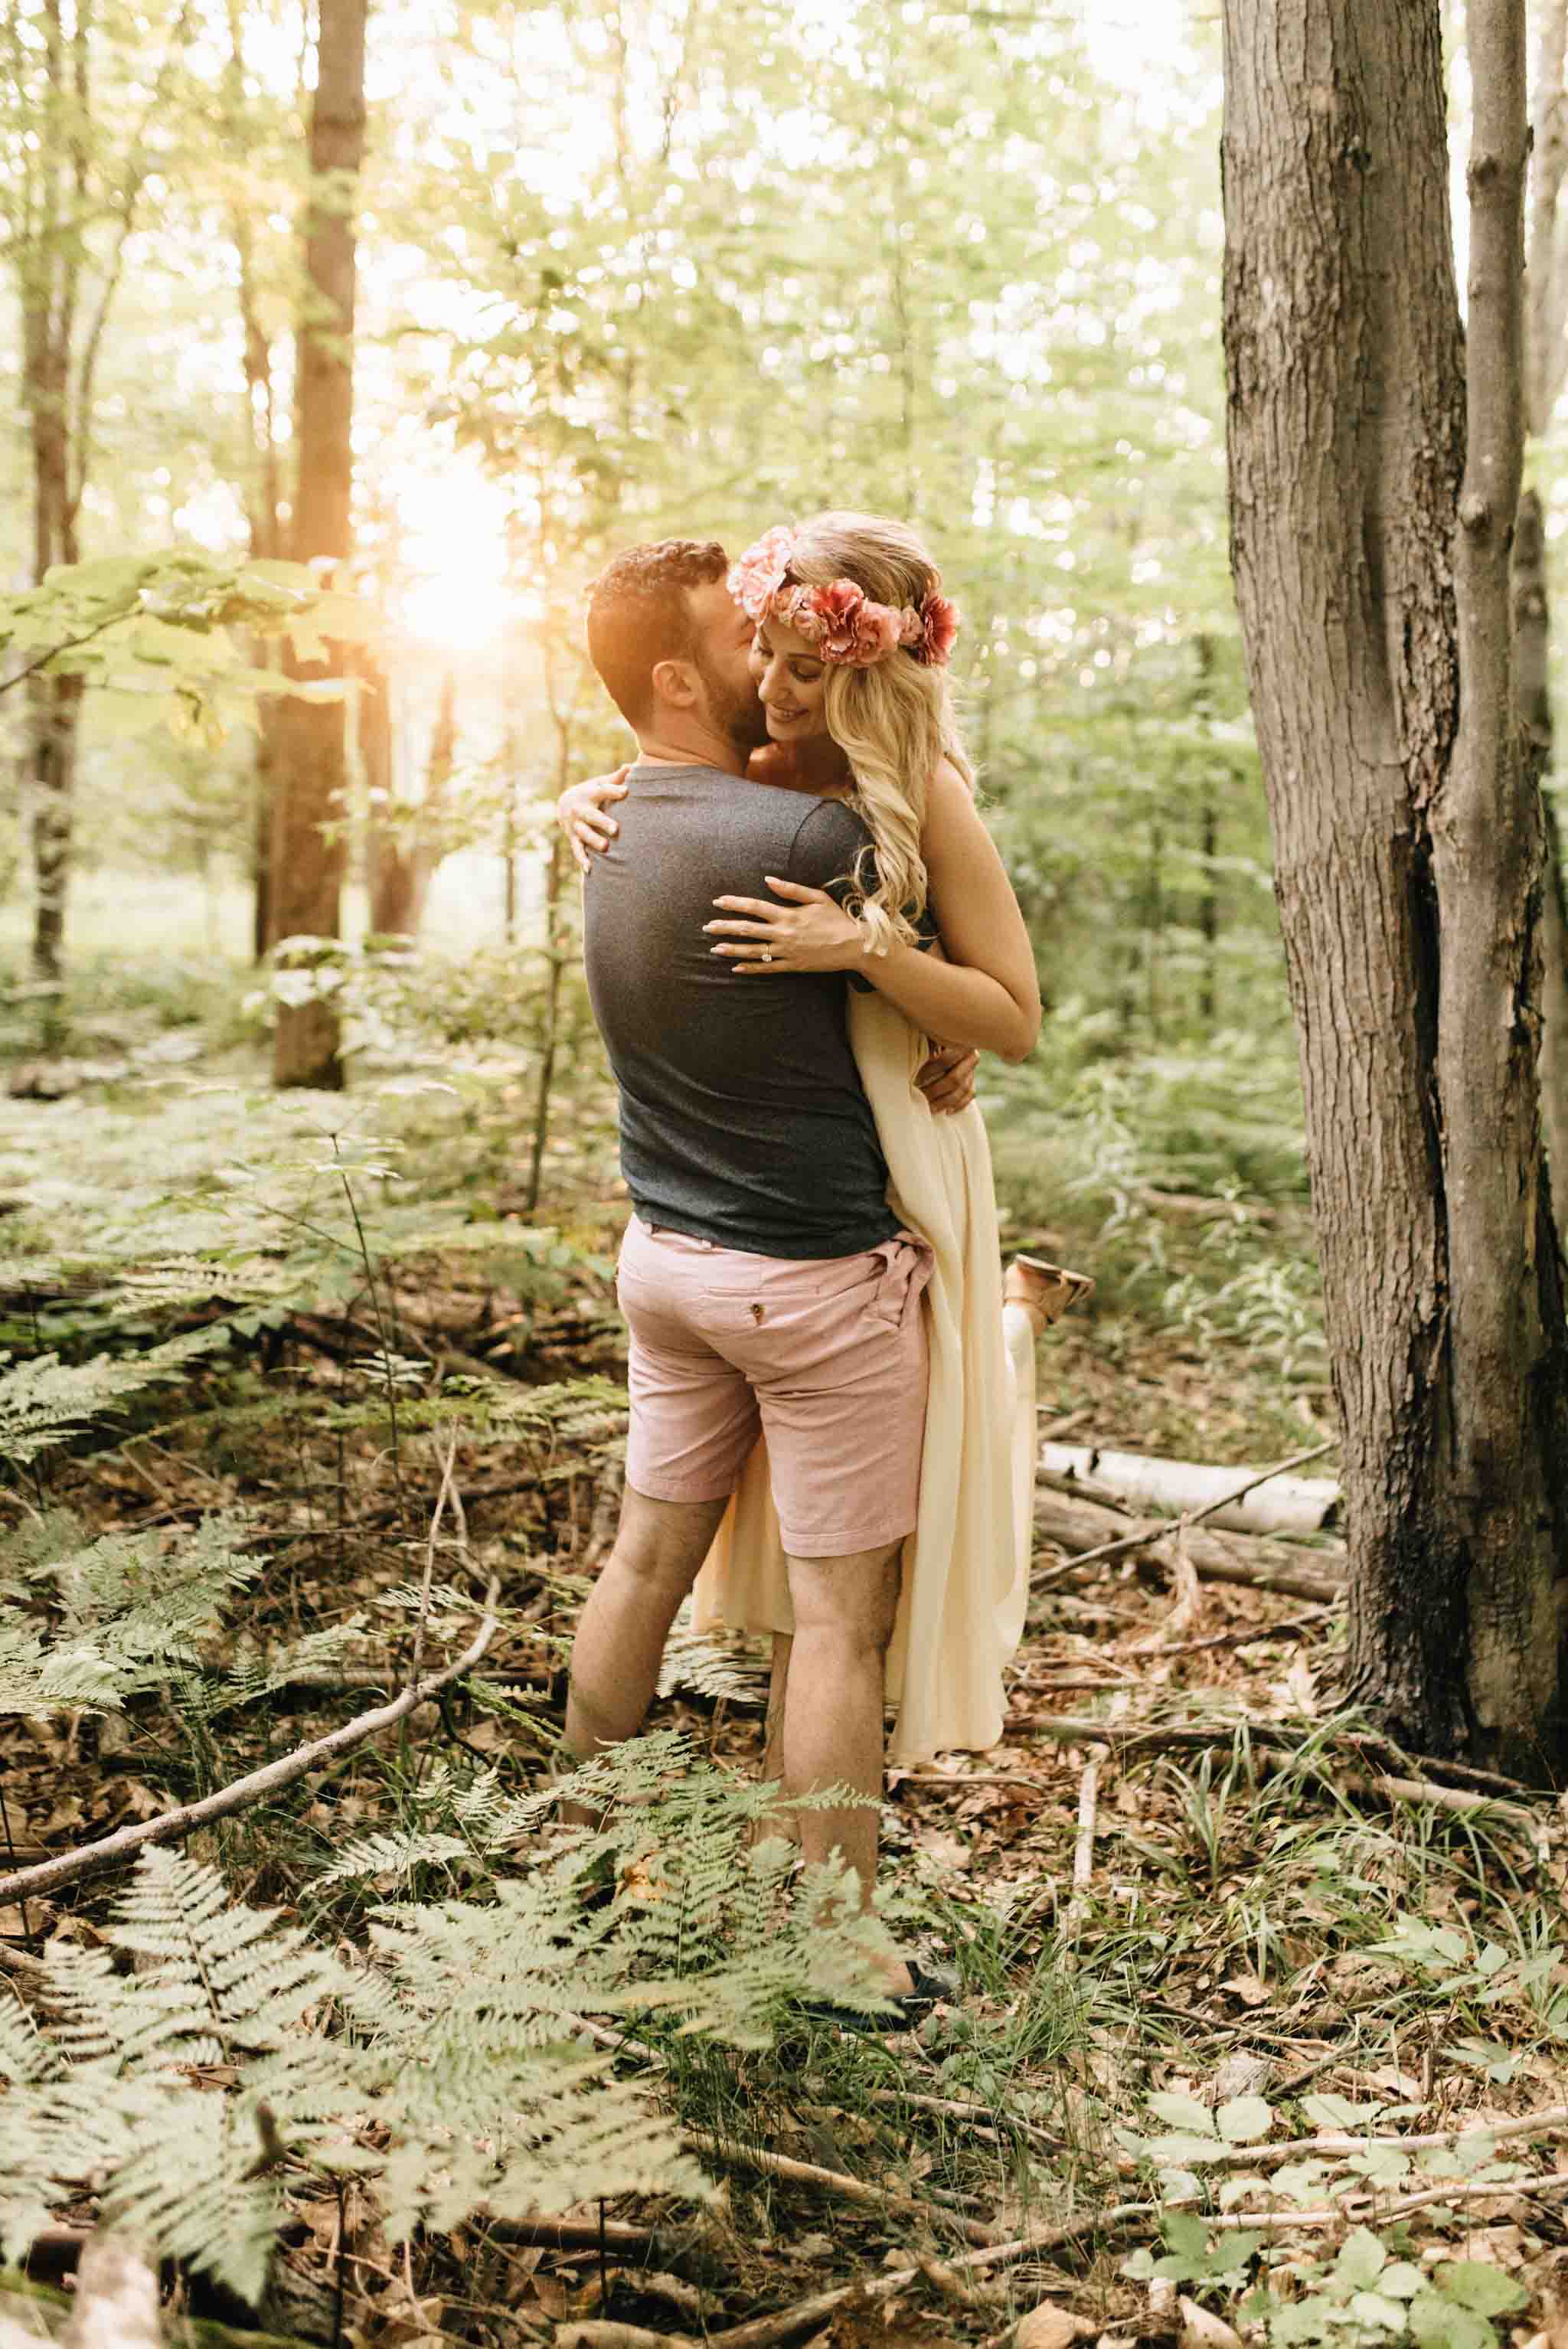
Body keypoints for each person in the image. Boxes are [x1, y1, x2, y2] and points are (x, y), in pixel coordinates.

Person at [561, 514, 1089, 1793]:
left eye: (808, 663)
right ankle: (816, 1934)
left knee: (673, 1562)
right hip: (799, 1249)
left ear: (874, 668)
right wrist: (578, 792)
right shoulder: (765, 782)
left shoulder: (915, 798)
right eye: (767, 650)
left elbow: (1012, 1013)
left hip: (801, 1190)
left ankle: (591, 1827)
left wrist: (885, 965)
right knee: (831, 1615)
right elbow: (669, 768)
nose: (777, 686)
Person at [563, 535, 977, 2005]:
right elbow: (976, 963)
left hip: (663, 1263)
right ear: (679, 679)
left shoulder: (610, 835)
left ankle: (574, 1861)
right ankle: (838, 1950)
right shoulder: (812, 843)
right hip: (812, 1289)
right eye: (742, 641)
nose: (768, 659)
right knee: (839, 1629)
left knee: (642, 1562)